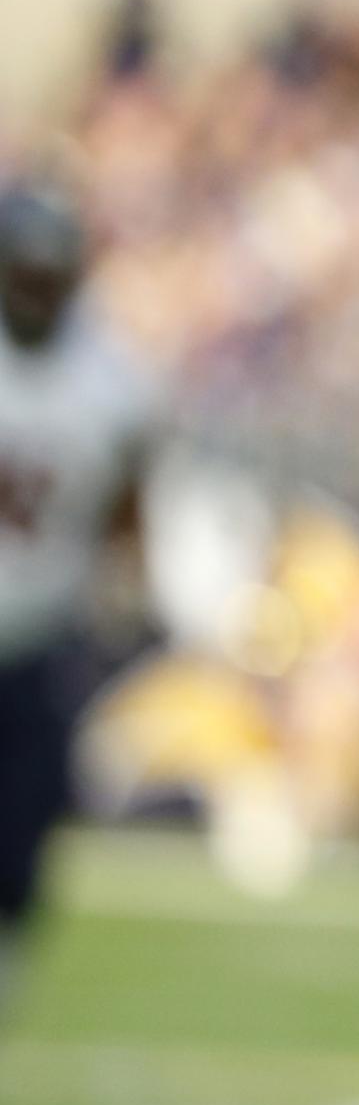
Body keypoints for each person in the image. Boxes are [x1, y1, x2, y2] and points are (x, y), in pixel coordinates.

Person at [0, 181, 163, 1030]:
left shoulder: (113, 382)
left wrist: (126, 592)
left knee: (22, 847)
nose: (35, 291)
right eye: (22, 273)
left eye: (49, 275)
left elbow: (128, 512)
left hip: (33, 639)